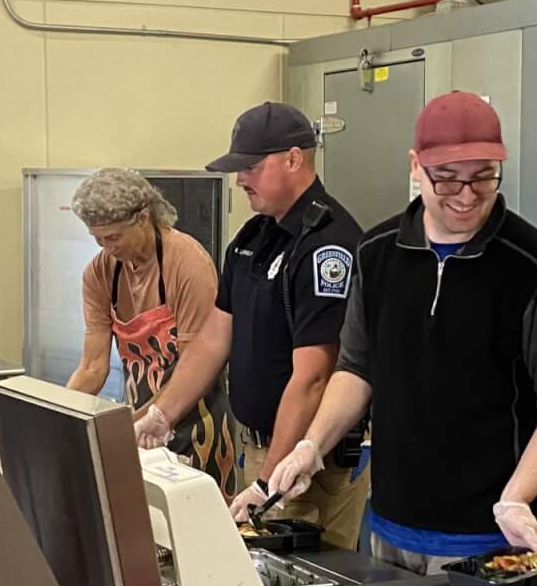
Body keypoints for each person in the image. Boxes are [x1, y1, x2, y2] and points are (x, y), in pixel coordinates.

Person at [266, 91, 537, 573]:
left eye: (483, 177)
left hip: (487, 540)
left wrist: (516, 498)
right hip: (387, 529)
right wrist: (311, 445)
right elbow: (356, 367)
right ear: (416, 165)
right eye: (447, 180)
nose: (466, 196)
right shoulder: (376, 253)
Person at [136, 103, 367, 550]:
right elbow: (214, 338)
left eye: (251, 167)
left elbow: (315, 377)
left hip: (305, 465)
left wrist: (267, 482)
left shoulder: (328, 245)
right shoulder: (252, 238)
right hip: (260, 448)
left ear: (294, 159)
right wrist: (163, 413)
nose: (240, 179)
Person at [66, 167, 234, 487]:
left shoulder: (188, 263)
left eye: (114, 237)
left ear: (144, 218)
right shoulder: (100, 272)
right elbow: (92, 366)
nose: (107, 248)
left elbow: (196, 364)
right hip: (139, 421)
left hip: (195, 423)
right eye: (98, 239)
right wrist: (61, 415)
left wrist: (141, 421)